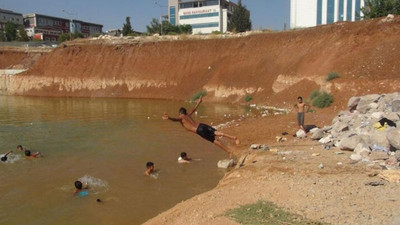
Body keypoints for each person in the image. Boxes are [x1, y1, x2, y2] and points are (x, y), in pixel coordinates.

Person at [163, 96, 240, 159]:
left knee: (213, 140)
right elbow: (194, 109)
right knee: (216, 132)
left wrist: (169, 118)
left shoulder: (181, 117)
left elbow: (175, 119)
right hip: (201, 125)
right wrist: (199, 102)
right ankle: (234, 138)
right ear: (185, 112)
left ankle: (229, 151)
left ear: (180, 113)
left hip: (199, 130)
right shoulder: (188, 115)